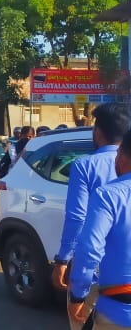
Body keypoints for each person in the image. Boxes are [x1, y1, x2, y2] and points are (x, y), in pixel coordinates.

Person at [52, 104, 131, 292]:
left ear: (97, 132)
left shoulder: (84, 166)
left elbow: (77, 218)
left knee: (87, 317)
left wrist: (63, 259)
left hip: (98, 272)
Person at [67, 129, 131, 328]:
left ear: (121, 155)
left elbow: (89, 250)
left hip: (118, 313)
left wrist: (78, 297)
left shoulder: (108, 196)